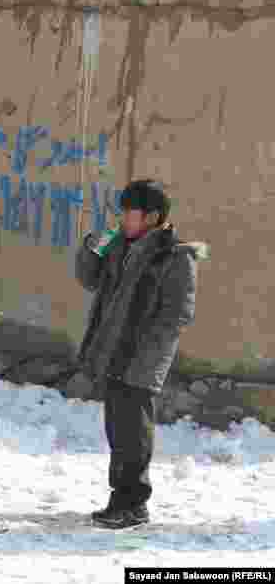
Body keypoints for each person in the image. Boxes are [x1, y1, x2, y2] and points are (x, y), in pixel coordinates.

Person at [76, 179, 206, 529]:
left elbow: (178, 313)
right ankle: (119, 500)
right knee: (117, 430)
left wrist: (147, 352)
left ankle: (134, 505)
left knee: (134, 433)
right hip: (114, 352)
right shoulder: (120, 245)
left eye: (129, 213)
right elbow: (90, 281)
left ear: (151, 217)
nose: (122, 219)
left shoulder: (175, 256)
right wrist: (93, 250)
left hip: (142, 359)